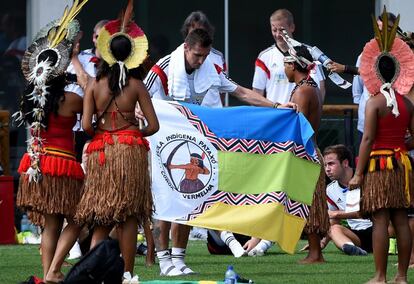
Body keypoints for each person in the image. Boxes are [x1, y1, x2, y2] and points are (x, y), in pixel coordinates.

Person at [144, 28, 296, 276]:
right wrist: (142, 111)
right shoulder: (163, 67)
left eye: (204, 56)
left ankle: (179, 260)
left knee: (188, 201)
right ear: (186, 47)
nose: (201, 60)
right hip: (163, 143)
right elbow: (140, 96)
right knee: (164, 202)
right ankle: (163, 262)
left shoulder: (212, 68)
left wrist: (277, 105)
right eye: (196, 56)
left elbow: (242, 92)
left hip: (193, 142)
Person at [75, 0, 159, 280]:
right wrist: (135, 131)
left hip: (101, 152)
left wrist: (103, 130)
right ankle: (126, 275)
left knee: (102, 216)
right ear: (132, 55)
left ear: (105, 52)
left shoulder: (94, 85)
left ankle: (92, 272)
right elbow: (153, 126)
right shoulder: (136, 85)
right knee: (130, 216)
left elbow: (86, 126)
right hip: (130, 152)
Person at [13, 1, 88, 282]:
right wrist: (78, 66)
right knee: (79, 217)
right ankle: (55, 269)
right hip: (62, 165)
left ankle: (48, 276)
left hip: (36, 164)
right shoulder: (72, 100)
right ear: (61, 68)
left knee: (50, 223)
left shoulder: (30, 99)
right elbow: (92, 101)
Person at [348, 9, 414, 284]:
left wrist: (358, 173)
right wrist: (401, 143)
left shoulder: (374, 102)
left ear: (374, 70)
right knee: (401, 218)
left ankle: (379, 277)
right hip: (402, 164)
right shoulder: (406, 103)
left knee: (379, 219)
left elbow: (367, 139)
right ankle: (401, 276)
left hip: (379, 165)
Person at [284, 45, 329, 264]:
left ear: (293, 65)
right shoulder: (308, 87)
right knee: (309, 202)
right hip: (309, 151)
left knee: (310, 203)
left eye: (285, 64)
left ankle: (315, 253)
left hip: (306, 152)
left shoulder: (304, 91)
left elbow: (297, 127)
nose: (284, 68)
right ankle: (314, 251)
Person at [252, 8, 326, 104]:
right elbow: (257, 92)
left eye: (282, 30)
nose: (278, 34)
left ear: (292, 27)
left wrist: (313, 114)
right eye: (274, 30)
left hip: (301, 115)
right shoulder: (264, 57)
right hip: (276, 116)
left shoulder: (310, 52)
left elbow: (321, 86)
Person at [322, 144, 373, 256]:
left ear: (345, 163)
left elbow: (367, 212)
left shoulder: (368, 179)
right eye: (325, 165)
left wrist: (337, 214)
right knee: (334, 228)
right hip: (357, 236)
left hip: (379, 229)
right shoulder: (330, 189)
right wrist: (322, 242)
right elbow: (333, 221)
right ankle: (352, 249)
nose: (327, 169)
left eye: (331, 164)